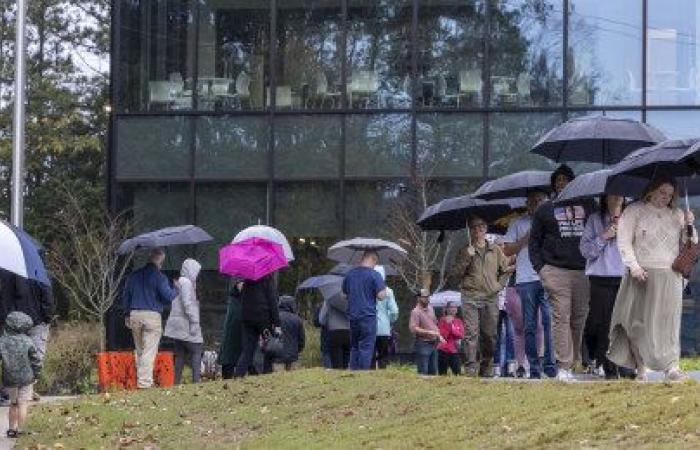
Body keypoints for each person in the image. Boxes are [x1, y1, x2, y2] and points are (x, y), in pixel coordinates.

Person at [608, 177, 697, 382]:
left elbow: (691, 243)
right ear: (651, 191)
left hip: (671, 275)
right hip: (642, 274)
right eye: (661, 192)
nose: (665, 198)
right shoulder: (634, 210)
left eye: (669, 194)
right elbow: (624, 241)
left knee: (670, 322)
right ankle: (641, 368)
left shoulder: (677, 214)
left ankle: (671, 367)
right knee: (639, 324)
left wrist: (689, 225)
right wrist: (634, 266)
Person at [529, 164, 592, 381]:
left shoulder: (588, 204)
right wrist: (542, 269)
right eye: (558, 180)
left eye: (566, 179)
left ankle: (573, 362)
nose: (561, 183)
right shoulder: (545, 209)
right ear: (554, 185)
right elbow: (534, 242)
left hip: (583, 271)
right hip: (555, 271)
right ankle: (563, 366)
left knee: (579, 318)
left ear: (573, 182)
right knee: (560, 317)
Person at [503, 189, 556, 379]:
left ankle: (550, 366)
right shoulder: (518, 223)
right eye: (532, 201)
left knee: (550, 322)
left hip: (548, 276)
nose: (536, 204)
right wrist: (525, 239)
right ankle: (533, 368)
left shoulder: (552, 220)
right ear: (527, 204)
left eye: (540, 200)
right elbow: (507, 251)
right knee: (530, 325)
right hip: (526, 279)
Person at [453, 216, 513, 377]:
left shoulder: (495, 250)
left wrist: (499, 285)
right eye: (474, 228)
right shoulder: (464, 250)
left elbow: (506, 270)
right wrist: (467, 256)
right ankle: (471, 367)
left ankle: (486, 365)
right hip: (470, 296)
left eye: (481, 227)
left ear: (486, 229)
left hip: (490, 297)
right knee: (471, 333)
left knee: (490, 335)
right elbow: (456, 274)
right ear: (470, 231)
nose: (478, 230)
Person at [579, 195, 628, 379]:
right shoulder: (594, 219)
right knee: (602, 322)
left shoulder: (630, 218)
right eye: (613, 197)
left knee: (623, 322)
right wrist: (604, 236)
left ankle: (623, 364)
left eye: (620, 197)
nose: (616, 201)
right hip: (600, 276)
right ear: (605, 199)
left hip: (624, 276)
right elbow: (585, 251)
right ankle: (604, 363)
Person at [122, 248, 178, 389]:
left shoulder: (133, 276)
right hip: (152, 316)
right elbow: (169, 297)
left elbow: (125, 297)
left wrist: (127, 314)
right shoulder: (160, 277)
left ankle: (142, 380)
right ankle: (144, 383)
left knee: (140, 349)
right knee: (149, 350)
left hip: (134, 314)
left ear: (149, 257)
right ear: (160, 260)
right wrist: (176, 288)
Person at [342, 251, 387, 370]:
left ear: (363, 258)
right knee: (366, 346)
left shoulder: (350, 274)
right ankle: (363, 373)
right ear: (373, 260)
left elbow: (344, 294)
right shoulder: (375, 275)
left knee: (355, 346)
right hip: (368, 316)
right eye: (375, 263)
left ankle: (353, 371)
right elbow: (381, 296)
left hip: (353, 316)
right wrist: (382, 287)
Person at [0, 312, 42, 438]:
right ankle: (21, 429)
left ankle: (11, 429)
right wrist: (37, 374)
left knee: (13, 404)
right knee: (23, 404)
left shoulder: (2, 341)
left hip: (9, 378)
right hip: (26, 378)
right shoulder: (27, 341)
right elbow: (35, 360)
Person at [164, 259, 203, 384]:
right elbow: (187, 304)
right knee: (197, 349)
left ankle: (176, 382)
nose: (197, 274)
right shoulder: (186, 283)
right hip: (185, 323)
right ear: (191, 270)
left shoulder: (181, 282)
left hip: (177, 324)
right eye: (196, 271)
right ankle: (196, 382)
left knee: (180, 353)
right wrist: (194, 321)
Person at [234, 274, 281, 378]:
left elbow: (242, 298)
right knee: (268, 347)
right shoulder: (267, 278)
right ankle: (267, 374)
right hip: (263, 319)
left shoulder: (247, 279)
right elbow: (272, 301)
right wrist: (277, 323)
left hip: (247, 318)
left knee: (247, 350)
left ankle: (238, 375)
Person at [409, 289, 442, 375]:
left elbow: (435, 323)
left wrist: (438, 334)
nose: (427, 299)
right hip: (423, 344)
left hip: (434, 343)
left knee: (433, 371)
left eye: (428, 297)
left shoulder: (431, 309)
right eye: (425, 297)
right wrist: (429, 332)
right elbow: (413, 328)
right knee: (423, 371)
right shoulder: (415, 312)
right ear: (419, 298)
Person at [218, 280, 245, 379]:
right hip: (231, 333)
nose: (242, 285)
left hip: (243, 333)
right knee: (229, 359)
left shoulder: (248, 299)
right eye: (240, 283)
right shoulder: (233, 298)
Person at [373, 266, 399, 369]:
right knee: (383, 357)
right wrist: (389, 321)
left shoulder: (366, 290)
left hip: (369, 327)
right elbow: (394, 311)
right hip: (384, 329)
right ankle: (383, 377)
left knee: (369, 357)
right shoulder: (388, 291)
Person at [320, 292, 351, 369]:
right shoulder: (351, 299)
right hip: (349, 331)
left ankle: (338, 376)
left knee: (336, 360)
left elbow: (321, 320)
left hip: (334, 331)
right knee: (347, 359)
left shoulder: (329, 299)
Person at [277, 296, 305, 371]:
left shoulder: (275, 317)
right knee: (291, 379)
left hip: (276, 353)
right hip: (292, 355)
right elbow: (301, 339)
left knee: (276, 378)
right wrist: (298, 349)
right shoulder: (297, 319)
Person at [437, 301, 464, 376]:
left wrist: (452, 327)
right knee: (442, 374)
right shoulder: (442, 320)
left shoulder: (458, 321)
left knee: (457, 373)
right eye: (451, 307)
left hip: (454, 350)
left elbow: (461, 335)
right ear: (447, 309)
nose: (454, 309)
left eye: (455, 307)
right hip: (443, 350)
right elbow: (443, 334)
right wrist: (449, 325)